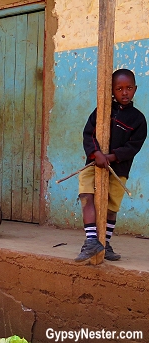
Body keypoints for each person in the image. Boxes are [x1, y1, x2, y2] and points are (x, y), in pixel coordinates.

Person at [75, 69, 147, 262]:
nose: (125, 92)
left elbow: (134, 146)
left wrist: (112, 157)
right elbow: (88, 134)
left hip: (119, 170)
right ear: (112, 91)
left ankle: (104, 243)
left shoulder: (138, 119)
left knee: (110, 208)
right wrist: (96, 154)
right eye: (119, 88)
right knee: (86, 196)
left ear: (135, 89)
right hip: (93, 165)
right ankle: (92, 241)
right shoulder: (102, 111)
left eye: (129, 88)